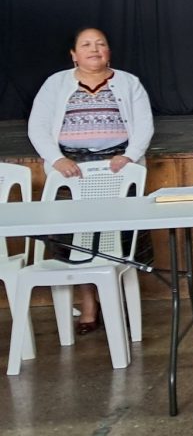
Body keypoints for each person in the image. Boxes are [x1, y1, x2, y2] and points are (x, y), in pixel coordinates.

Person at [27, 26, 154, 334]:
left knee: (119, 237)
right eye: (86, 45)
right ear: (74, 54)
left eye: (101, 44)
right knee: (76, 240)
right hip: (71, 170)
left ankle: (118, 299)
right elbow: (38, 126)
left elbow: (144, 125)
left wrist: (130, 156)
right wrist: (58, 160)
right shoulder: (55, 83)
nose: (94, 49)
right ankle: (89, 305)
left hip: (118, 167)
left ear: (109, 51)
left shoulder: (128, 82)